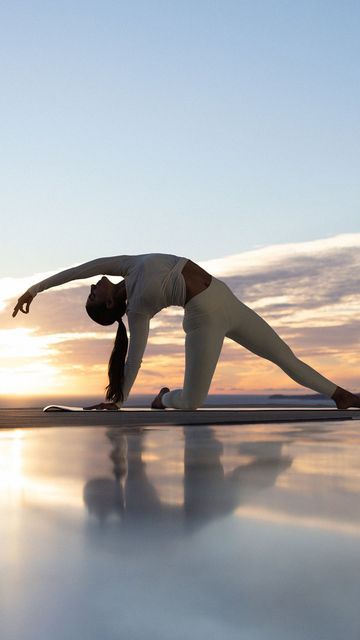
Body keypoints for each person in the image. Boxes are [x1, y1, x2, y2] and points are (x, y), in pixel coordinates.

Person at [12, 253, 360, 411]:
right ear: (107, 307)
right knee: (192, 403)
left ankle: (339, 394)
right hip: (203, 318)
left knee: (283, 355)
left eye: (90, 288)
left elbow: (79, 268)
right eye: (93, 294)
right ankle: (164, 398)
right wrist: (117, 400)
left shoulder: (127, 265)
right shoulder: (137, 310)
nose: (92, 284)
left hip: (226, 299)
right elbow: (135, 355)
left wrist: (35, 289)